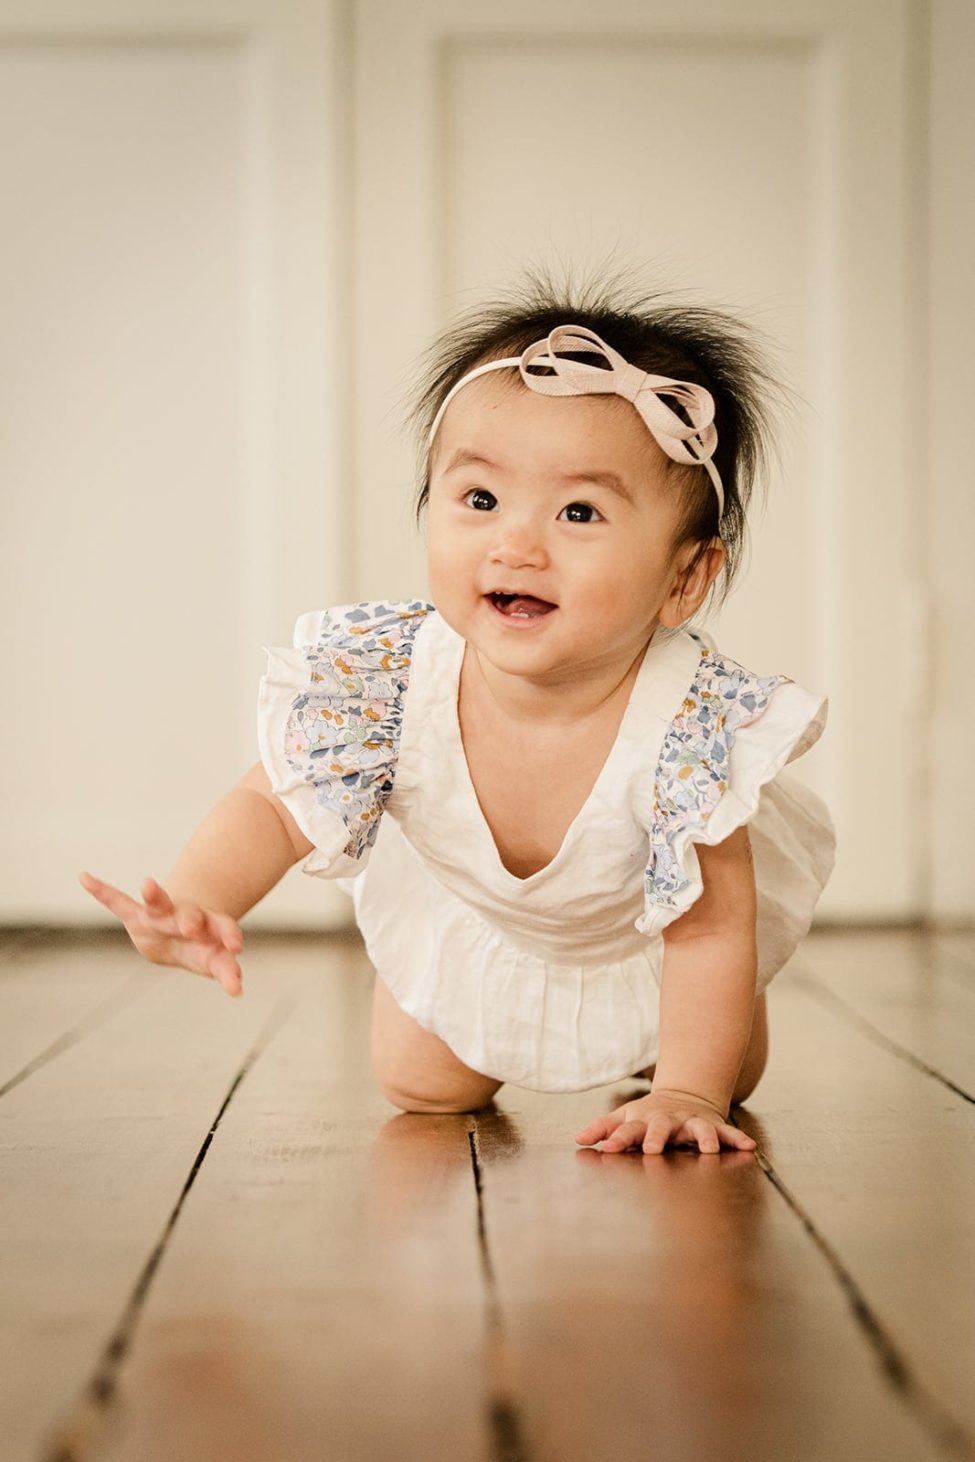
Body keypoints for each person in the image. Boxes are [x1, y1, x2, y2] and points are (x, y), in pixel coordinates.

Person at [80, 273, 835, 1157]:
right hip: (470, 914)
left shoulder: (689, 726)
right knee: (422, 1090)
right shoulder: (392, 679)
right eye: (479, 500)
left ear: (683, 579)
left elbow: (708, 925)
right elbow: (274, 802)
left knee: (723, 1073)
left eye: (578, 511)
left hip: (650, 938)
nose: (515, 543)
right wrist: (203, 898)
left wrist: (686, 1091)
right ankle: (440, 992)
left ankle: (701, 1046)